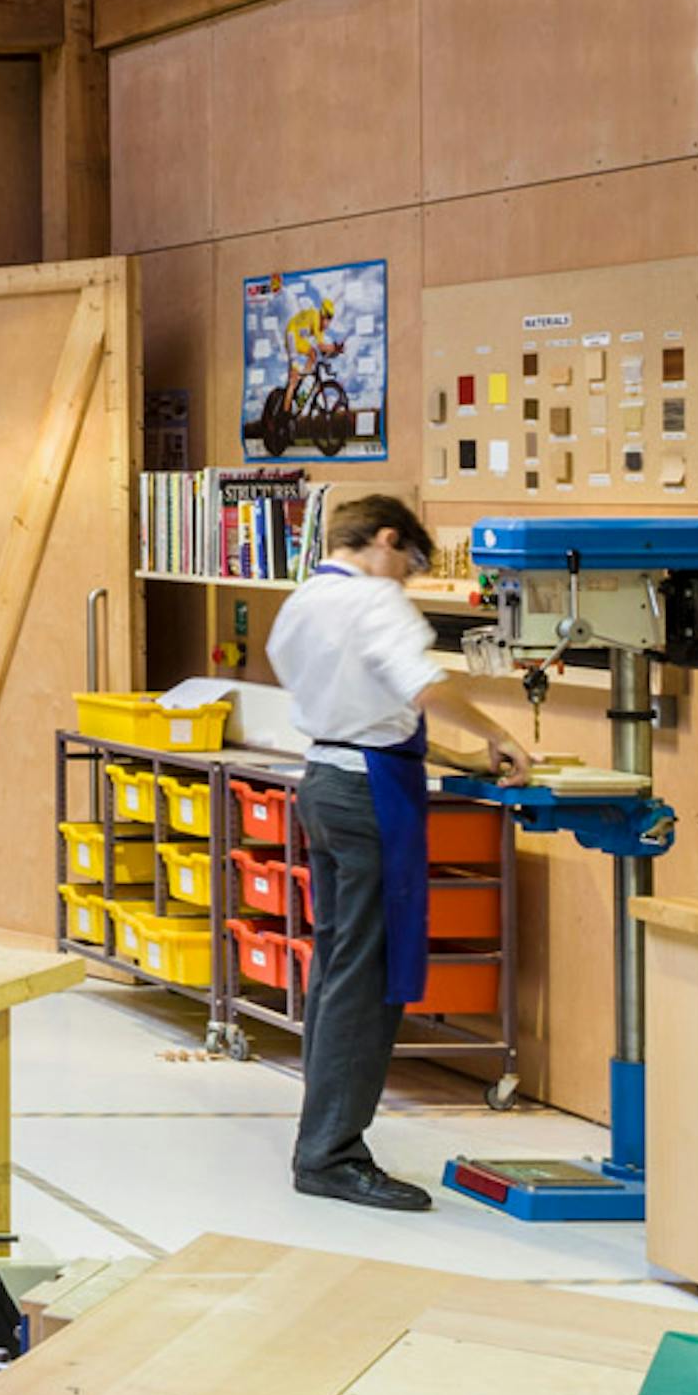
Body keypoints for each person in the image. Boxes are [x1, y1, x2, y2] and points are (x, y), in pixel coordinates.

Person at [268, 495, 530, 1212]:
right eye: (408, 565)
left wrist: (463, 756)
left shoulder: (303, 602)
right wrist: (500, 734)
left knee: (337, 964)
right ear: (386, 540)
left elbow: (368, 715)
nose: (406, 582)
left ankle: (322, 1138)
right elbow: (422, 687)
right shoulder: (373, 600)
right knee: (366, 973)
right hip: (370, 796)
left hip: (325, 781)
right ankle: (330, 1152)